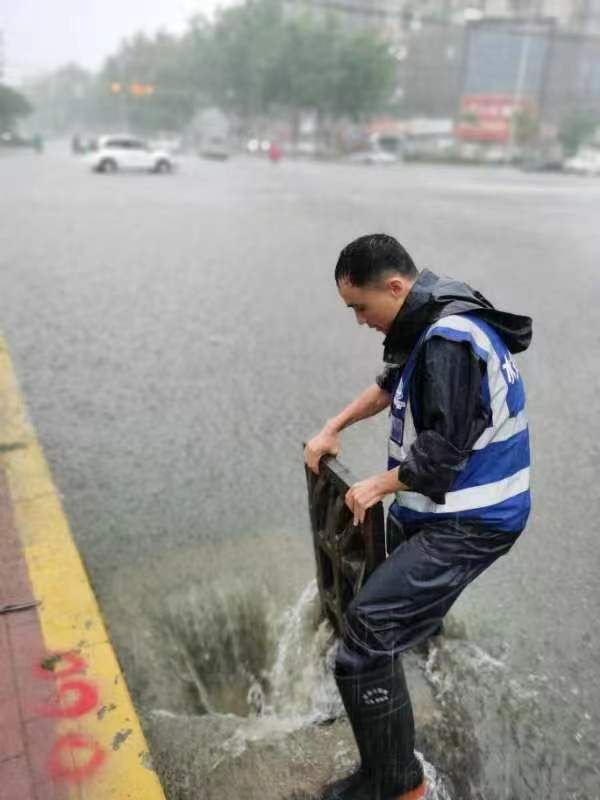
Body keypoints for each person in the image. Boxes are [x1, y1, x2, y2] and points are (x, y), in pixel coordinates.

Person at [304, 234, 532, 800]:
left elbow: (440, 455)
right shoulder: (433, 311)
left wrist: (374, 485)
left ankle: (400, 785)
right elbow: (389, 385)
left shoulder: (449, 339)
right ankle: (388, 755)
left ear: (395, 287)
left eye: (360, 307)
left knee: (364, 638)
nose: (359, 321)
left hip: (474, 519)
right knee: (390, 616)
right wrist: (334, 427)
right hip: (452, 508)